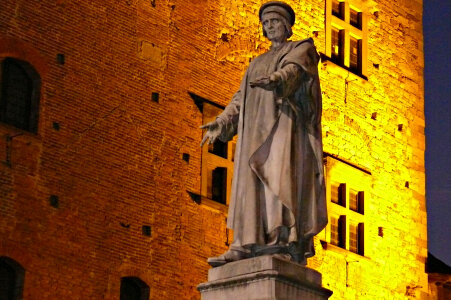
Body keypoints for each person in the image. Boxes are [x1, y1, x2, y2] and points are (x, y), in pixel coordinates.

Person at [200, 1, 327, 267]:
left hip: (283, 127)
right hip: (253, 131)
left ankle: (279, 241)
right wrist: (222, 121)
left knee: (278, 182)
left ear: (287, 26)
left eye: (274, 22)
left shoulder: (301, 48)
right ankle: (244, 245)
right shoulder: (256, 62)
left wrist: (278, 79)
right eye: (266, 24)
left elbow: (295, 71)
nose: (269, 27)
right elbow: (240, 98)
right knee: (250, 185)